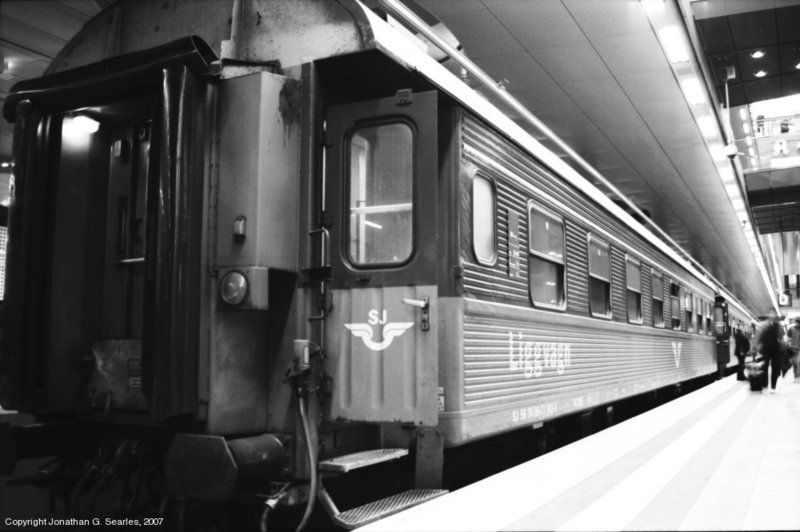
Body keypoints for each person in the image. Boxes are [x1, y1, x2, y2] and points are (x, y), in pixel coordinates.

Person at [753, 309, 785, 393]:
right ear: (768, 314)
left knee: (775, 368)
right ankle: (765, 386)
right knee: (764, 368)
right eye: (771, 313)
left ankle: (773, 387)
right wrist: (756, 347)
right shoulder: (763, 325)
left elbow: (782, 338)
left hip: (776, 349)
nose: (772, 315)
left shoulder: (779, 326)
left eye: (773, 314)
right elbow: (758, 336)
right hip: (765, 349)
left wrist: (783, 347)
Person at [786, 317, 800, 383]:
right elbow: (788, 337)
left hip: (795, 347)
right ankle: (796, 377)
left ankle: (797, 376)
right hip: (794, 348)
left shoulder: (792, 328)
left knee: (797, 363)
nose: (797, 323)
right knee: (795, 363)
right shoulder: (791, 328)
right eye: (796, 322)